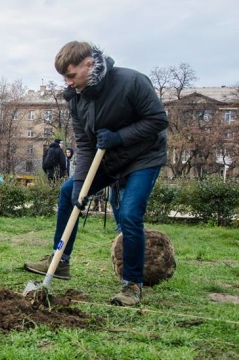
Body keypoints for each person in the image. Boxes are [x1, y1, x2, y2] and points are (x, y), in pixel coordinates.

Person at [24, 41, 167, 307]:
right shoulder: (77, 98)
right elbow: (86, 143)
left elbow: (158, 120)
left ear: (89, 64)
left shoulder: (131, 81)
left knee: (129, 213)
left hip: (143, 158)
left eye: (71, 75)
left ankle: (131, 284)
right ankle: (60, 260)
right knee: (69, 192)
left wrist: (119, 137)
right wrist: (80, 184)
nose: (67, 82)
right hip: (109, 159)